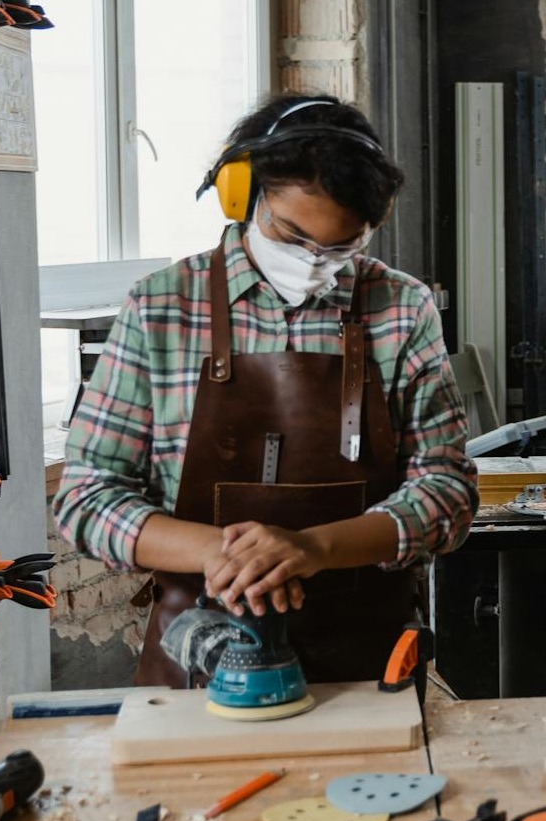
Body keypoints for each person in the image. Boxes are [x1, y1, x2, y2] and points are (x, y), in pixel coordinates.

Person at [53, 93, 478, 687]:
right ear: (242, 191)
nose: (311, 261)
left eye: (340, 247)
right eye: (290, 233)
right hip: (196, 653)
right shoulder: (161, 307)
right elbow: (87, 497)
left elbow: (447, 492)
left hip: (366, 659)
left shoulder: (402, 308)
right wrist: (224, 556)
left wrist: (315, 548)